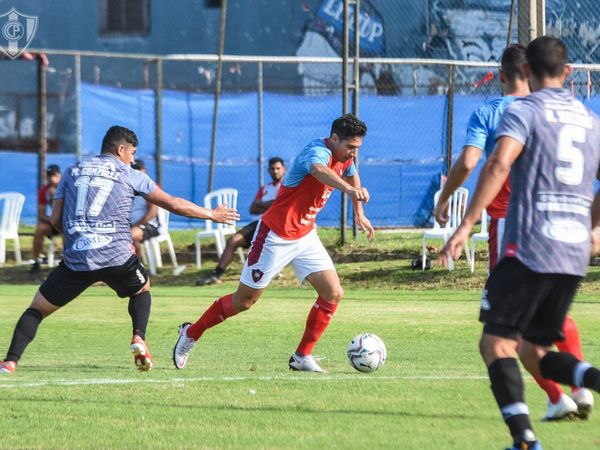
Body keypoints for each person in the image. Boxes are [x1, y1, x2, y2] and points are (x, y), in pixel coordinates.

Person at [439, 36, 600, 450]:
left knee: (496, 342)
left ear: (525, 72)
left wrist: (464, 222)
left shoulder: (519, 110)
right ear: (568, 73)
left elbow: (494, 162)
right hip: (574, 248)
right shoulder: (588, 118)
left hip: (526, 241)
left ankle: (524, 438)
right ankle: (582, 387)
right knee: (534, 348)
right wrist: (594, 228)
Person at [0, 126, 239, 375]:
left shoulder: (72, 171)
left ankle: (10, 362)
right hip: (117, 257)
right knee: (141, 290)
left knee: (37, 309)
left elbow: (56, 220)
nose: (133, 159)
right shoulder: (129, 173)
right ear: (120, 149)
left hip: (77, 259)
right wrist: (212, 214)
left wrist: (78, 237)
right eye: (132, 153)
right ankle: (138, 338)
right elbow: (172, 203)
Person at [173, 114, 375, 372]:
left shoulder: (346, 158)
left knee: (333, 293)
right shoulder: (316, 151)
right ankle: (191, 333)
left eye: (358, 148)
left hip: (305, 235)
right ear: (334, 139)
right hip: (275, 235)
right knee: (243, 301)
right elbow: (318, 171)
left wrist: (359, 212)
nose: (354, 154)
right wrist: (348, 191)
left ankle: (302, 356)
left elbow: (352, 176)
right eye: (351, 148)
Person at [196, 157, 286, 286]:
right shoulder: (264, 188)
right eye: (272, 169)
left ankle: (266, 274)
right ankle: (216, 275)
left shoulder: (287, 186)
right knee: (233, 241)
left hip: (275, 224)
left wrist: (262, 204)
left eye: (278, 168)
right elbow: (252, 209)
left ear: (284, 169)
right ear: (268, 170)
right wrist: (269, 204)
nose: (275, 171)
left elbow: (279, 205)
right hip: (258, 223)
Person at [30, 164, 62, 274]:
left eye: (54, 175)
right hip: (55, 222)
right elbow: (41, 214)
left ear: (60, 176)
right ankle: (36, 262)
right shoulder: (44, 190)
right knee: (40, 228)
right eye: (49, 176)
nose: (52, 179)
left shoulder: (67, 187)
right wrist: (54, 220)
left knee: (69, 231)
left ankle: (69, 263)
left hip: (68, 222)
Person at [130, 159, 160, 257]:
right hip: (131, 224)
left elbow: (152, 213)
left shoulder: (149, 186)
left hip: (148, 225)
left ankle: (136, 265)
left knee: (129, 236)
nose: (136, 172)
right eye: (133, 170)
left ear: (144, 170)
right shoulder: (127, 186)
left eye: (138, 169)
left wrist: (136, 225)